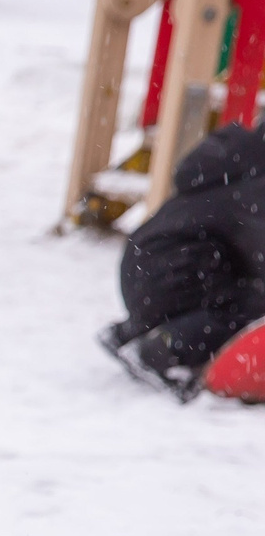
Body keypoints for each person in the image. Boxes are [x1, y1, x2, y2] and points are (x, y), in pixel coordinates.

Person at [99, 121, 265, 402]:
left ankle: (134, 332)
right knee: (251, 302)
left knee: (234, 285)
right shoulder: (256, 185)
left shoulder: (239, 162)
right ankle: (165, 349)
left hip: (146, 270)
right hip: (172, 275)